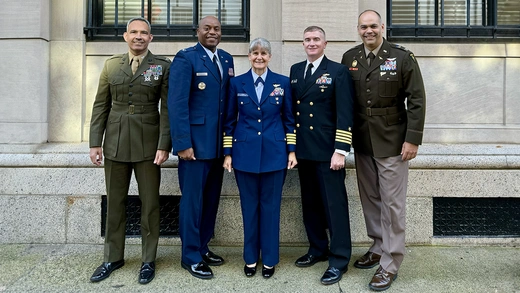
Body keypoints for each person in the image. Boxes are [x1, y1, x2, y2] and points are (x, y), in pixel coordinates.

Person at [341, 10, 426, 291]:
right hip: (363, 141)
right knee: (371, 200)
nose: (369, 31)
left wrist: (412, 139)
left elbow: (416, 100)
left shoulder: (402, 57)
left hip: (392, 142)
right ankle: (378, 247)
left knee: (392, 204)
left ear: (382, 27)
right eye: (364, 27)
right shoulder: (350, 57)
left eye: (373, 26)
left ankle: (390, 263)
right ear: (358, 29)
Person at [88, 17, 171, 285]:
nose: (138, 36)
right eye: (134, 32)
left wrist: (164, 144)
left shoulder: (160, 67)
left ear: (151, 38)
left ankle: (148, 260)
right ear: (125, 36)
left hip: (149, 145)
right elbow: (101, 105)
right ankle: (113, 257)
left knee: (150, 205)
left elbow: (167, 109)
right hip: (115, 141)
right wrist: (94, 142)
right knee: (115, 203)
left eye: (144, 33)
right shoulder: (111, 65)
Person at [222, 38, 297, 279]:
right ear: (249, 56)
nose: (259, 57)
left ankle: (270, 260)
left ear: (270, 56)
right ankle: (251, 258)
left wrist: (292, 150)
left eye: (264, 53)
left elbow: (288, 120)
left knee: (271, 208)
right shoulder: (236, 83)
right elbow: (229, 121)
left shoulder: (282, 83)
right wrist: (228, 153)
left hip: (275, 156)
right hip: (244, 155)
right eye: (255, 53)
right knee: (249, 208)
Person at [168, 15, 234, 280]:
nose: (212, 32)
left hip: (217, 146)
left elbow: (228, 103)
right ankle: (190, 256)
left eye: (216, 29)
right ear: (197, 31)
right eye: (207, 28)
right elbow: (177, 104)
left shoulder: (227, 59)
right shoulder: (186, 58)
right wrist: (182, 143)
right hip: (194, 147)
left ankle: (203, 247)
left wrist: (229, 145)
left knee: (210, 201)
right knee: (193, 202)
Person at [290, 26, 355, 285]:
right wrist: (291, 149)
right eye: (307, 39)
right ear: (303, 43)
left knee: (334, 207)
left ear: (325, 43)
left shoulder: (337, 71)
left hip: (329, 152)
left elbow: (345, 112)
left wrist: (341, 151)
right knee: (311, 204)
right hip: (304, 151)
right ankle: (317, 248)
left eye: (316, 39)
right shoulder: (296, 71)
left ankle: (339, 259)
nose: (311, 43)